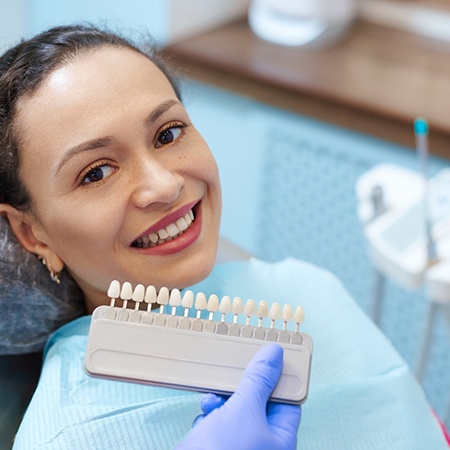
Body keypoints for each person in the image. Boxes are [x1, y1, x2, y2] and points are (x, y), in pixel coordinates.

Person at [0, 25, 448, 450]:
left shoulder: (310, 288)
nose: (165, 185)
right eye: (96, 172)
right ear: (31, 231)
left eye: (168, 133)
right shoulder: (66, 436)